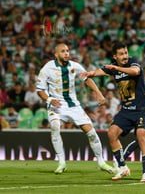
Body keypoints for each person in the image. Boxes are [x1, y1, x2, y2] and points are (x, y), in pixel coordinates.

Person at [36, 43, 113, 175]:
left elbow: (87, 79)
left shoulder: (74, 66)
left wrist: (99, 93)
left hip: (73, 106)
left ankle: (101, 162)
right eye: (63, 51)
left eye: (67, 51)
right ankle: (61, 162)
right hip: (56, 105)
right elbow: (40, 90)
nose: (66, 53)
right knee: (55, 126)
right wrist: (49, 100)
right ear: (56, 54)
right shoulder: (48, 68)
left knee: (91, 133)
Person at [80, 42, 145, 182]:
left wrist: (116, 68)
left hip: (141, 110)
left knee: (141, 135)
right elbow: (98, 72)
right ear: (115, 56)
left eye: (125, 53)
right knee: (111, 133)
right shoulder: (113, 67)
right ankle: (122, 167)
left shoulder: (133, 62)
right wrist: (90, 73)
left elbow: (135, 72)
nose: (125, 56)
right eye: (121, 54)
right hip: (126, 110)